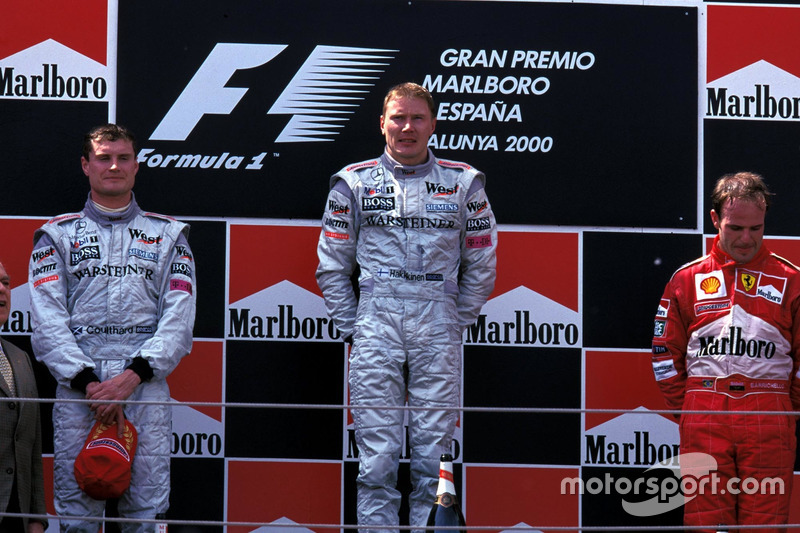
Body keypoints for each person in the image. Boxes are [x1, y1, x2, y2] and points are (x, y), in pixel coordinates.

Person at [316, 82, 497, 531]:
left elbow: (482, 263)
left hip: (438, 320)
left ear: (433, 125)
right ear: (382, 123)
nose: (407, 127)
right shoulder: (352, 182)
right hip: (375, 320)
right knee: (375, 461)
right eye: (398, 117)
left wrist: (453, 322)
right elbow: (332, 267)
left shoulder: (464, 182)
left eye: (417, 118)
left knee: (433, 464)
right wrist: (355, 328)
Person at [28, 124, 197, 532]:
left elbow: (179, 321)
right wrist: (89, 382)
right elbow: (47, 323)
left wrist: (130, 378)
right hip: (78, 390)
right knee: (77, 515)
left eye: (123, 157)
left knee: (146, 515)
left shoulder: (169, 234)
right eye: (104, 158)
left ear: (136, 165)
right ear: (86, 166)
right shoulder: (56, 235)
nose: (114, 166)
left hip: (144, 387)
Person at [651, 171, 800, 531]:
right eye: (735, 228)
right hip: (704, 411)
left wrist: (786, 408)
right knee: (706, 526)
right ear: (716, 219)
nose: (746, 239)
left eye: (756, 228)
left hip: (770, 412)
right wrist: (688, 408)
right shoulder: (686, 278)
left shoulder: (791, 278)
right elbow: (663, 353)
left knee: (763, 526)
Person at [0, 260, 48, 533]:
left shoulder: (21, 359)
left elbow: (32, 444)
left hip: (16, 520)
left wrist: (36, 519)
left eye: (6, 283)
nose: (2, 290)